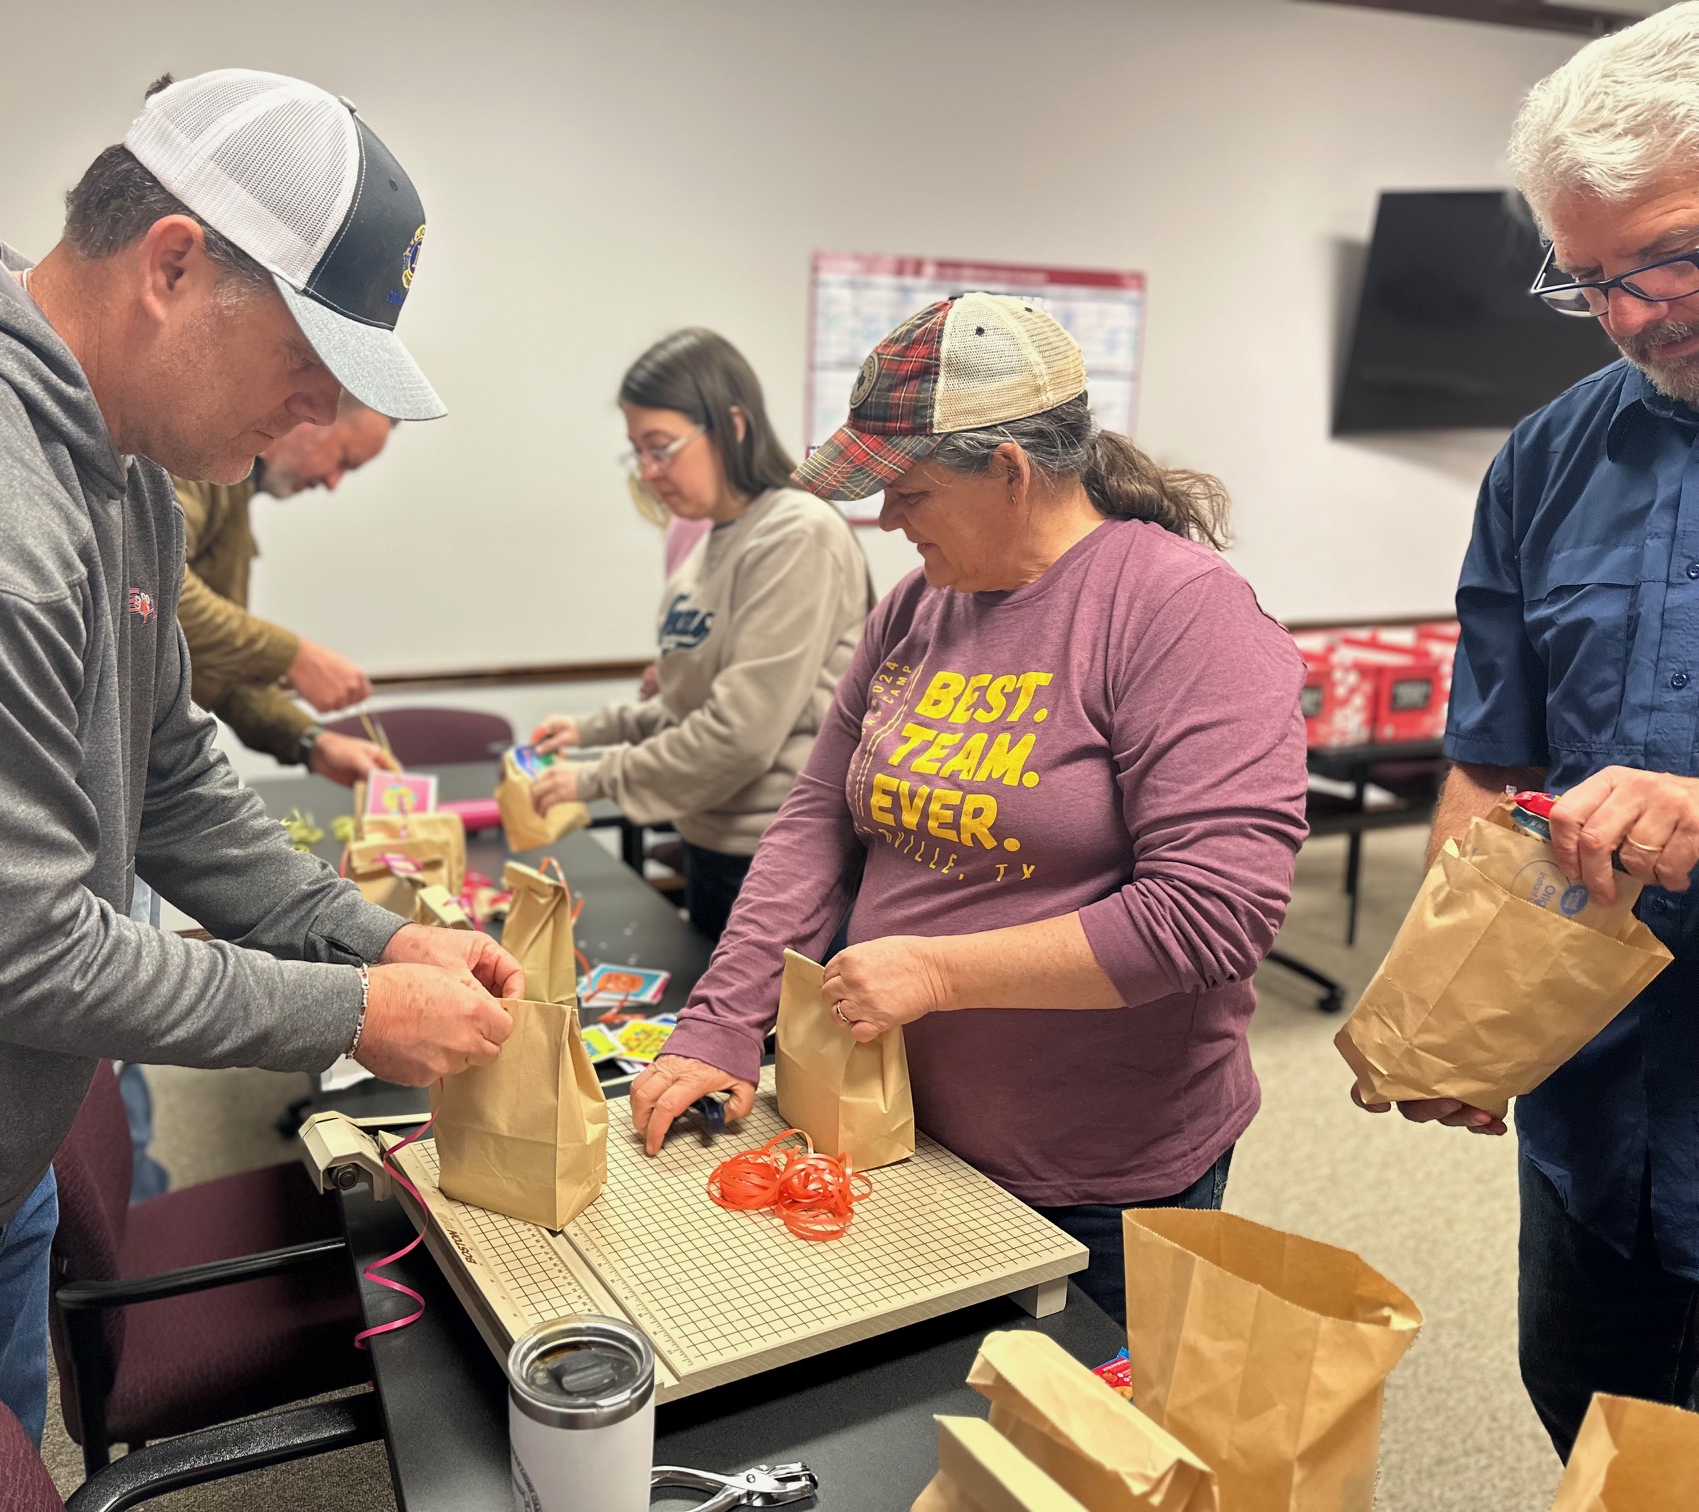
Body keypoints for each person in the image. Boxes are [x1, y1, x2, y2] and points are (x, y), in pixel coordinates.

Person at [0, 70, 519, 1512]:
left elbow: (174, 778)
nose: (319, 412)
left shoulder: (114, 473)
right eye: (311, 361)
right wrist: (354, 1011)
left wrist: (368, 936)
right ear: (175, 263)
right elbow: (20, 950)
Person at [629, 296, 1308, 1324]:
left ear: (1011, 472)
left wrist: (940, 971)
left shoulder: (1183, 612)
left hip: (1095, 1179)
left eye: (909, 492)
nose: (887, 524)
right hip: (898, 1129)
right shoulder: (917, 607)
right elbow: (818, 822)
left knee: (1067, 1466)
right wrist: (720, 1022)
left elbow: (1212, 915)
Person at [1349, 3, 1699, 1457]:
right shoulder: (1550, 458)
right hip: (1596, 1121)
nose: (1633, 316)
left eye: (1672, 256)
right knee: (1595, 1431)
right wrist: (1450, 999)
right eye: (1592, 280)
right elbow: (1493, 761)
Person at [529, 330, 871, 939]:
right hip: (710, 843)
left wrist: (594, 777)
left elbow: (738, 735)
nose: (649, 471)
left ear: (732, 425)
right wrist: (595, 728)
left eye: (661, 448)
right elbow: (687, 704)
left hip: (782, 860)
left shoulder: (796, 535)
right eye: (637, 452)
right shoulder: (706, 547)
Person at [171, 395, 400, 784]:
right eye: (343, 460)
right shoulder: (193, 459)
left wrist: (312, 743)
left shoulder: (233, 488)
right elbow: (159, 596)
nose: (332, 483)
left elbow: (213, 663)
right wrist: (295, 658)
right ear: (311, 414)